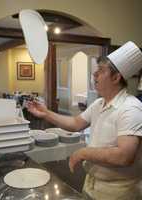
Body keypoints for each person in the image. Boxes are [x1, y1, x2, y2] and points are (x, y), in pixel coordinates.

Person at [27, 41, 142, 200]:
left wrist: (84, 152)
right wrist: (46, 113)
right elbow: (76, 123)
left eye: (100, 71)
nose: (94, 75)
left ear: (116, 77)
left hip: (118, 192)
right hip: (92, 184)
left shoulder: (131, 108)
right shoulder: (99, 103)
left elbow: (124, 156)